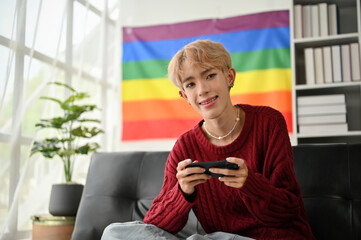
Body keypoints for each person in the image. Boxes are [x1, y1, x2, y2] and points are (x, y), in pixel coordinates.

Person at [101, 40, 315, 240]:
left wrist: (250, 184)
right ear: (185, 96)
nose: (202, 90)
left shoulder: (269, 123)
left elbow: (288, 211)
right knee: (115, 233)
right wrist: (182, 191)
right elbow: (154, 224)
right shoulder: (184, 147)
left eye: (210, 75)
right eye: (191, 84)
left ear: (229, 77)